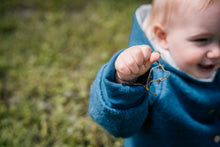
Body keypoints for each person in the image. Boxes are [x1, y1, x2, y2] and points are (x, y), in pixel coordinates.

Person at [88, 0, 220, 146]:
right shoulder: (154, 80)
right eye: (202, 40)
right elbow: (120, 126)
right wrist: (125, 83)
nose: (217, 53)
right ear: (162, 36)